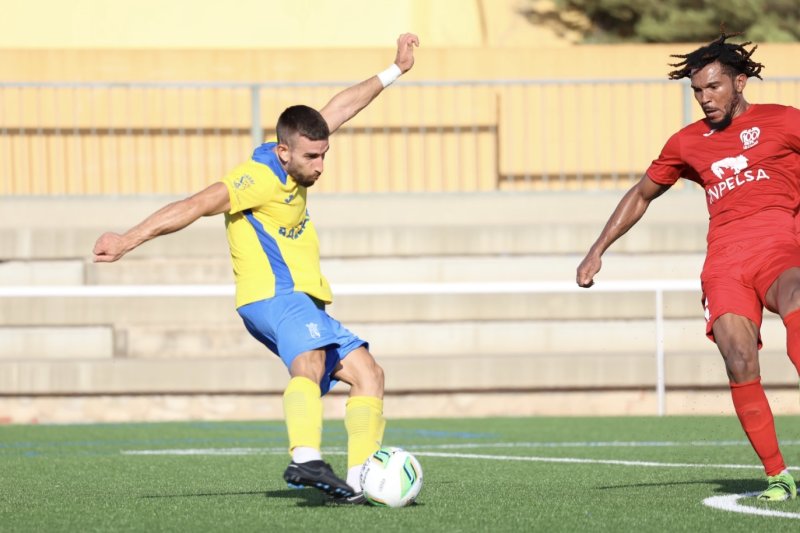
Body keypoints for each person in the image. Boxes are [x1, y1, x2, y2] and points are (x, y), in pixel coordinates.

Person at [93, 33, 420, 504]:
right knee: (309, 361)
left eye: (324, 155)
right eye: (312, 157)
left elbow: (342, 107)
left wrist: (395, 70)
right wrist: (128, 239)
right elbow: (195, 204)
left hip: (300, 297)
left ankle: (358, 481)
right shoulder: (257, 178)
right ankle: (305, 457)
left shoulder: (298, 148)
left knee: (369, 373)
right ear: (284, 152)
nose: (320, 166)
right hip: (273, 294)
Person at [576, 31, 800, 502]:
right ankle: (778, 475)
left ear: (739, 82)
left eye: (713, 87)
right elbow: (642, 194)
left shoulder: (783, 121)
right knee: (739, 359)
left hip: (780, 249)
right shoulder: (687, 142)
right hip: (724, 266)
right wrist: (598, 249)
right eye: (697, 90)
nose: (704, 98)